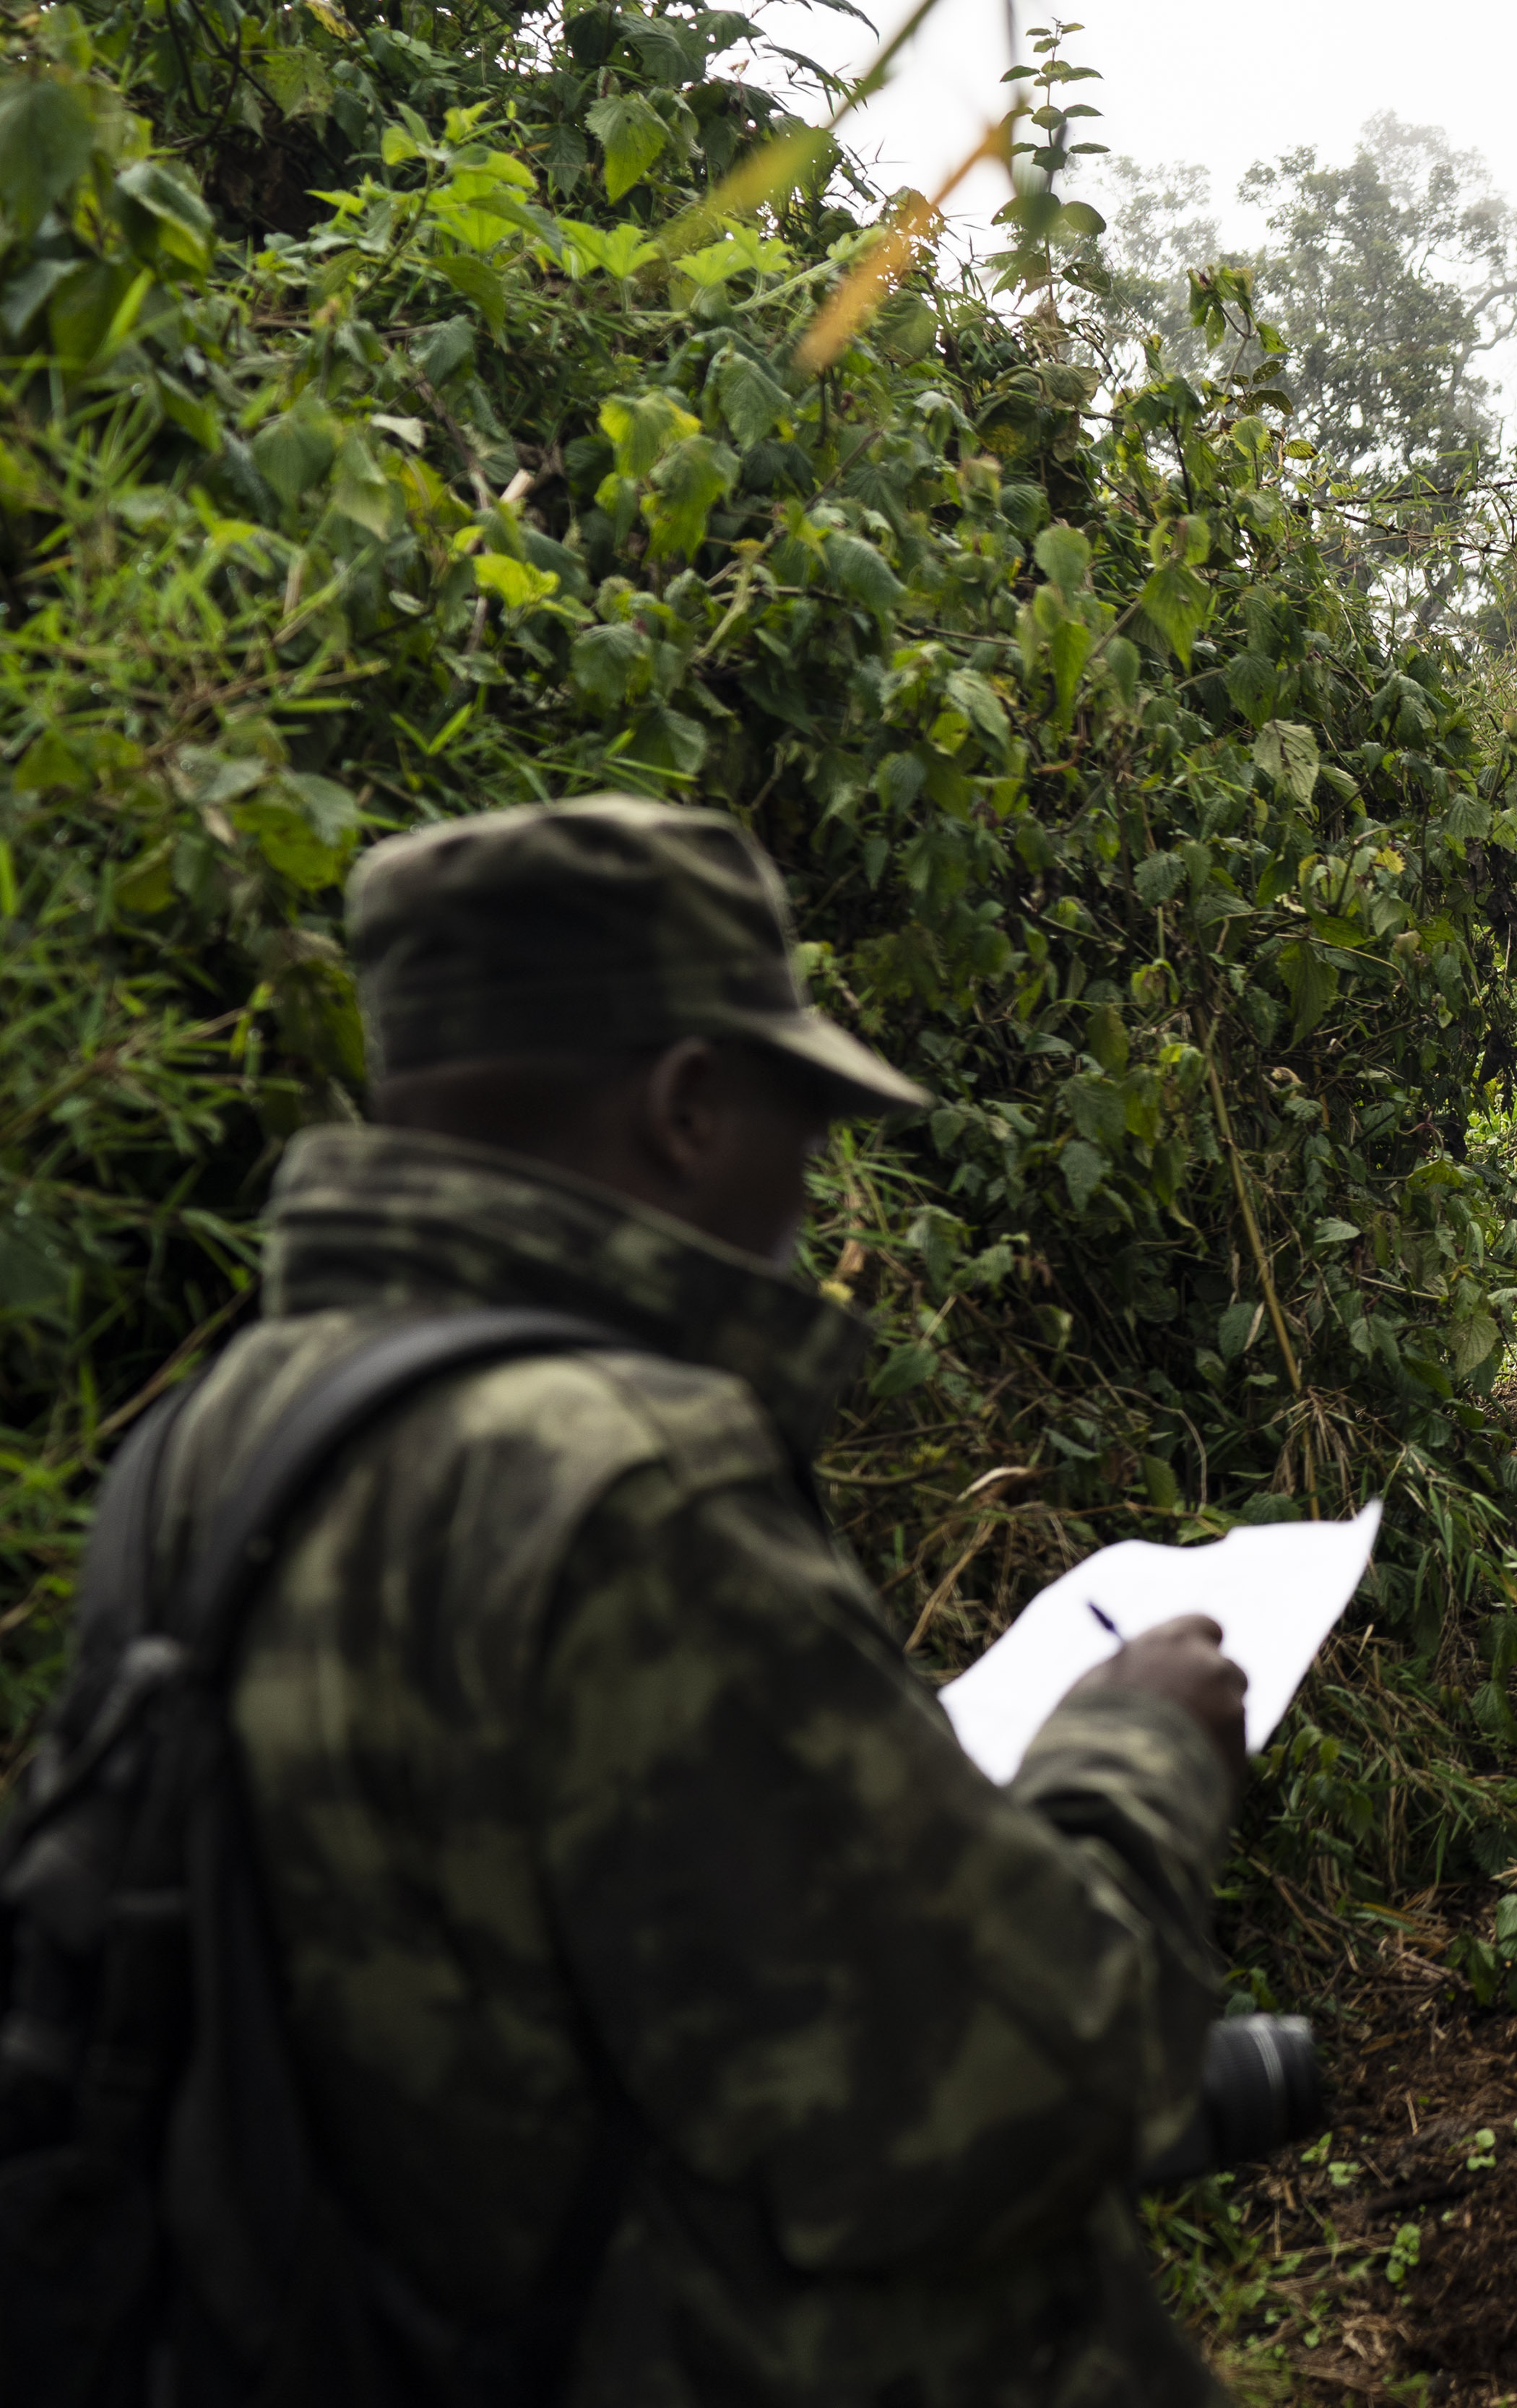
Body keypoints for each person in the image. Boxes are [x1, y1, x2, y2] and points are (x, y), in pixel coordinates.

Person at [155, 797, 1248, 2401]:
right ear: (686, 1105)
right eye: (796, 1117)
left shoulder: (220, 1440)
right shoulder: (625, 1484)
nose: (810, 1183)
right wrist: (1131, 1753)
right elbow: (1012, 2087)